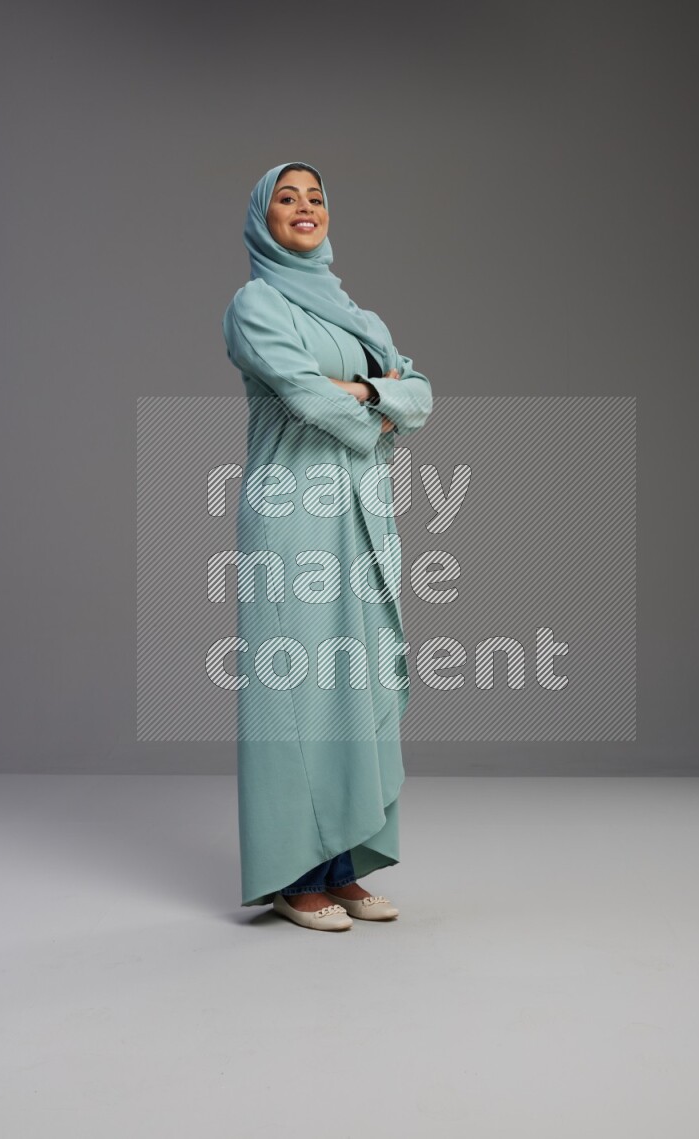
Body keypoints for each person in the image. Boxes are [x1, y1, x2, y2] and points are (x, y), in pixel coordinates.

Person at [222, 161, 433, 931]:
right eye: (287, 198)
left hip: (365, 513)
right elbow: (302, 394)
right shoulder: (256, 304)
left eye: (315, 198)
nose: (304, 209)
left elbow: (423, 394)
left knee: (360, 682)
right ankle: (293, 874)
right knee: (298, 692)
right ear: (262, 219)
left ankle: (345, 867)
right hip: (292, 514)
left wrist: (369, 393)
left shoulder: (359, 316)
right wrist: (376, 401)